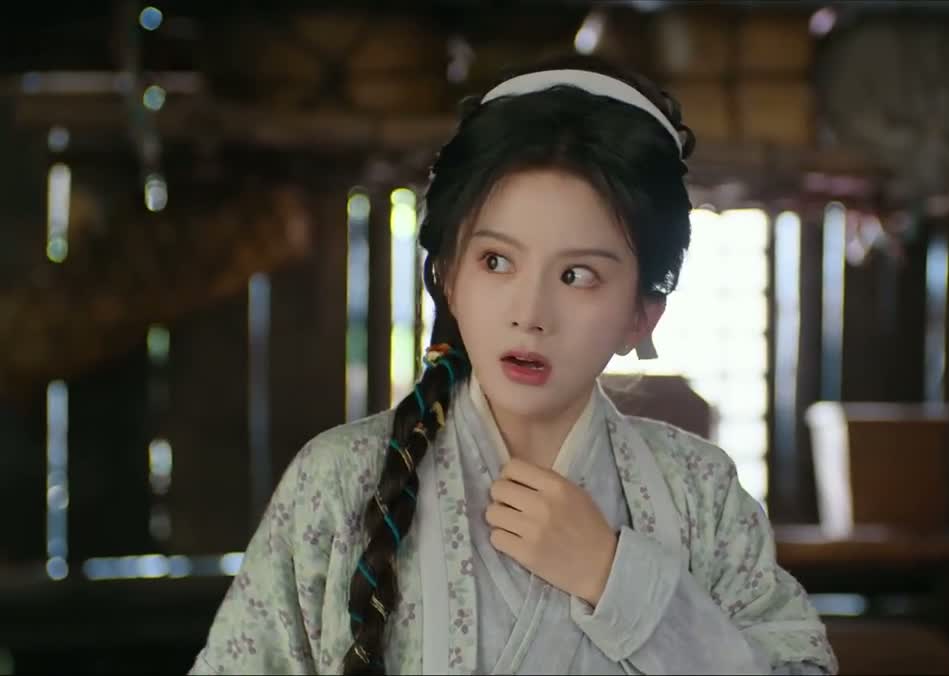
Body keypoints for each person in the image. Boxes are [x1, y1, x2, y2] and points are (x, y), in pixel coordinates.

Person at [190, 54, 837, 675]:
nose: (530, 314)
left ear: (642, 315)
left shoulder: (701, 494)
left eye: (578, 275)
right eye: (496, 261)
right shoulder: (338, 483)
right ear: (448, 277)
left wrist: (616, 578)